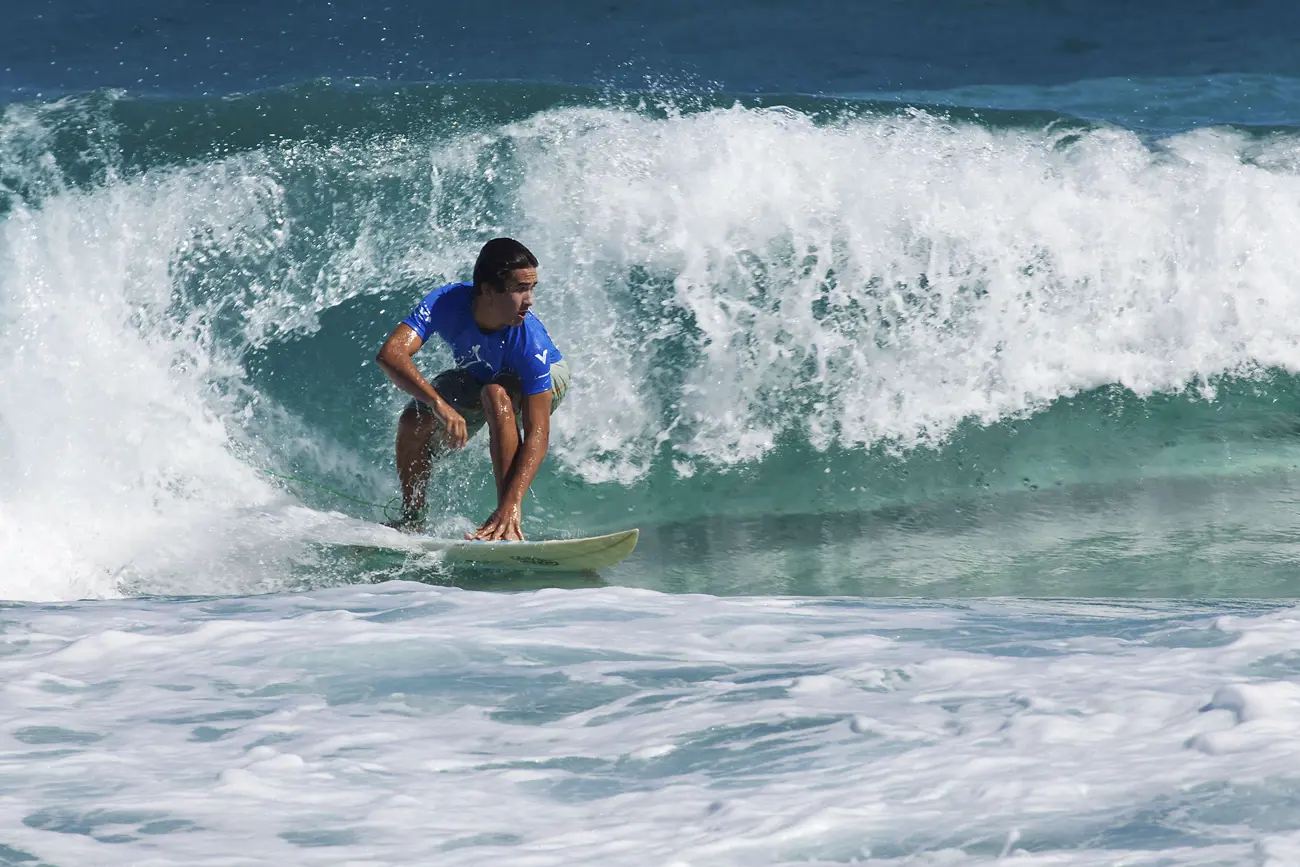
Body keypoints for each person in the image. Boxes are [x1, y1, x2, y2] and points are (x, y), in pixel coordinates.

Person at [375, 238, 569, 541]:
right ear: (488, 291)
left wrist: (512, 502)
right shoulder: (446, 303)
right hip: (480, 375)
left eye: (532, 288)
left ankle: (506, 521)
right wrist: (439, 405)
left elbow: (537, 432)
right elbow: (391, 354)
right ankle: (413, 518)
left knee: (496, 393)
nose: (529, 300)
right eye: (519, 289)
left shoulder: (529, 340)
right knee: (414, 419)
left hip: (547, 378)